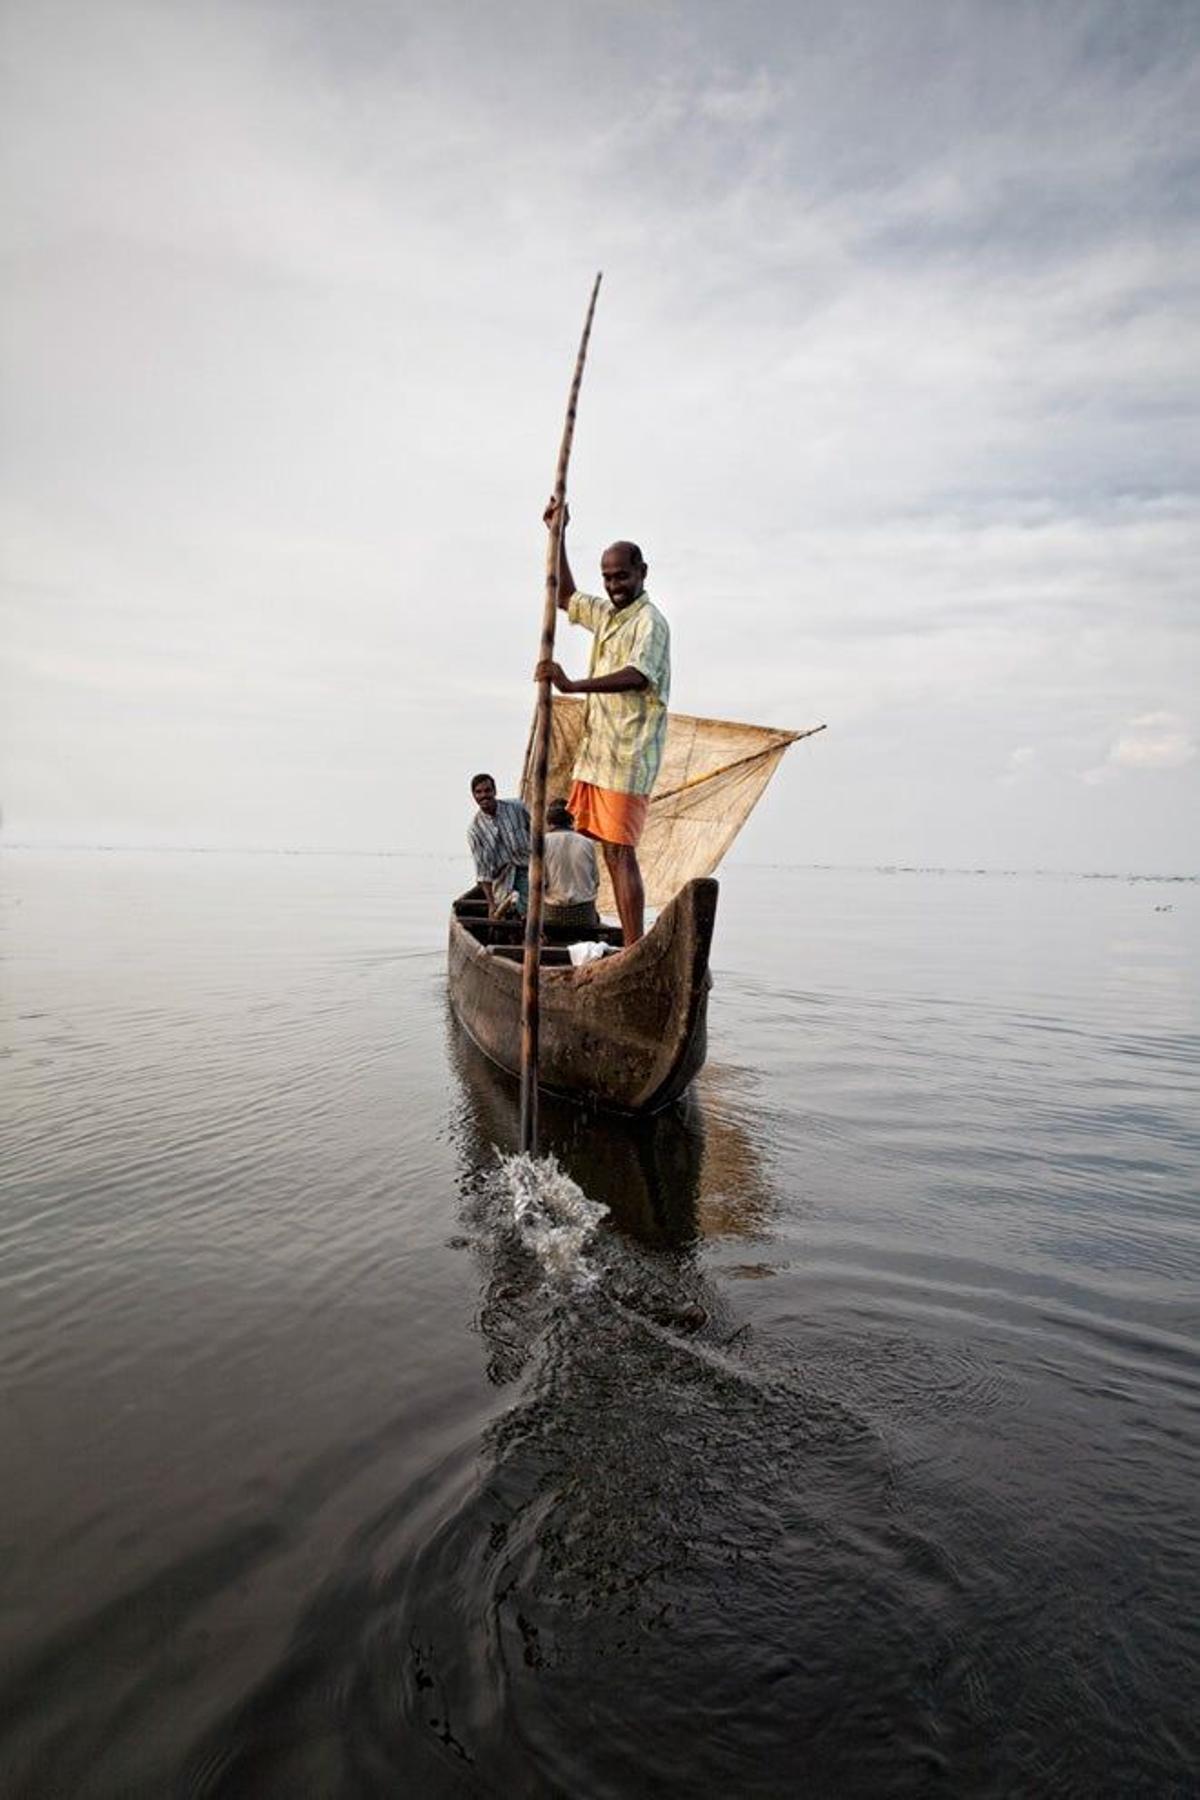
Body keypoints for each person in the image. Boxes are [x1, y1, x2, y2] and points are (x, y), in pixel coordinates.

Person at [535, 499, 670, 945]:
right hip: (598, 755)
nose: (613, 585)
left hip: (627, 757)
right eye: (608, 577)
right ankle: (632, 945)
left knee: (621, 851)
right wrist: (558, 534)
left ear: (642, 573)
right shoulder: (609, 614)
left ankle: (634, 948)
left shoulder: (650, 622)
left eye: (622, 576)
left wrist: (573, 686)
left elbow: (636, 676)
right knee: (610, 852)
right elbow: (564, 597)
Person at [467, 772, 530, 917]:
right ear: (474, 796)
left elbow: (536, 832)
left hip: (528, 869)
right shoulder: (475, 831)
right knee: (504, 916)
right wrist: (491, 904)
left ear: (494, 791)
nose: (484, 795)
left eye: (487, 790)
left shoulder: (517, 808)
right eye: (479, 792)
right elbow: (483, 872)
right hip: (502, 879)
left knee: (528, 907)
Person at [543, 797, 600, 929]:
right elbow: (595, 882)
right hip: (584, 916)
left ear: (549, 821)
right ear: (571, 819)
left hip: (553, 916)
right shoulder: (587, 842)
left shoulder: (543, 843)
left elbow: (539, 885)